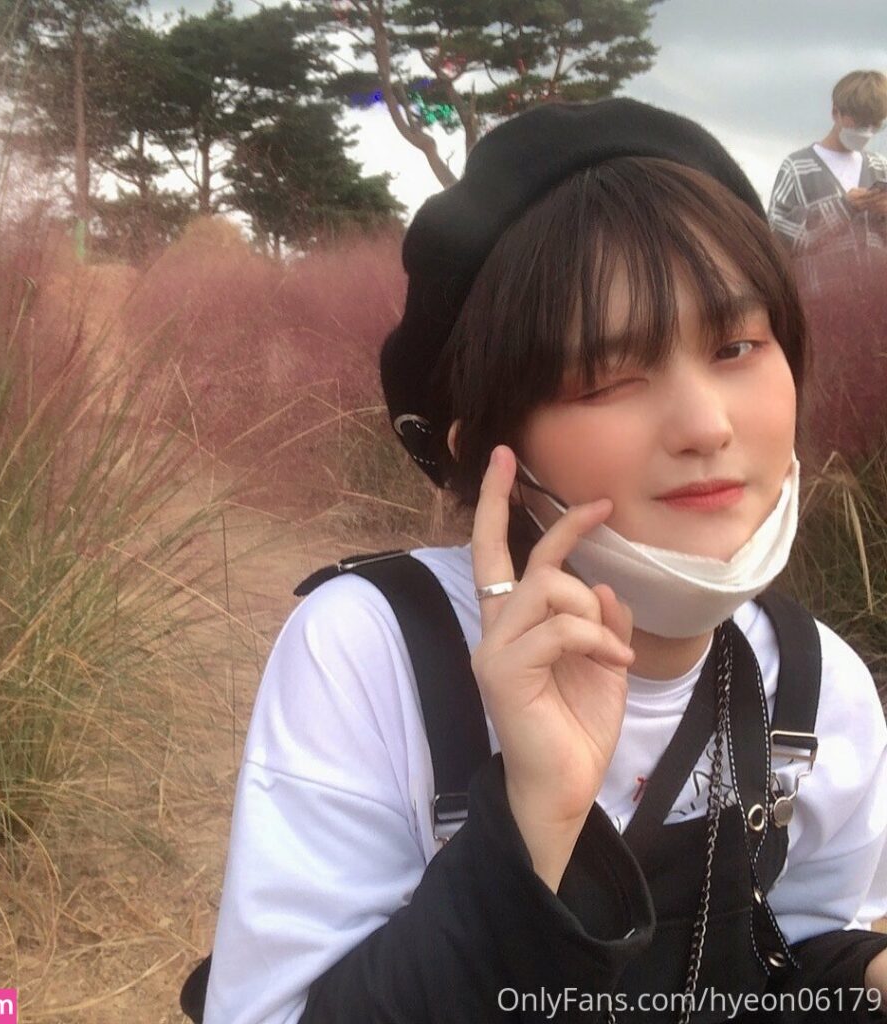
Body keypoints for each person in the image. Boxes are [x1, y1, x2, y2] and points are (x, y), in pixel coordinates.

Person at [199, 99, 887, 1023]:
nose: (706, 425)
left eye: (736, 347)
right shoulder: (374, 654)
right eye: (607, 377)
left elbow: (800, 945)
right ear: (494, 453)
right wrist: (532, 822)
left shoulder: (814, 684)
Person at [768, 70, 887, 293]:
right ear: (835, 112)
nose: (866, 132)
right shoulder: (797, 168)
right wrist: (844, 207)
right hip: (818, 303)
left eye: (874, 126)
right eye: (859, 124)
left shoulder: (881, 168)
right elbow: (778, 240)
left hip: (877, 304)